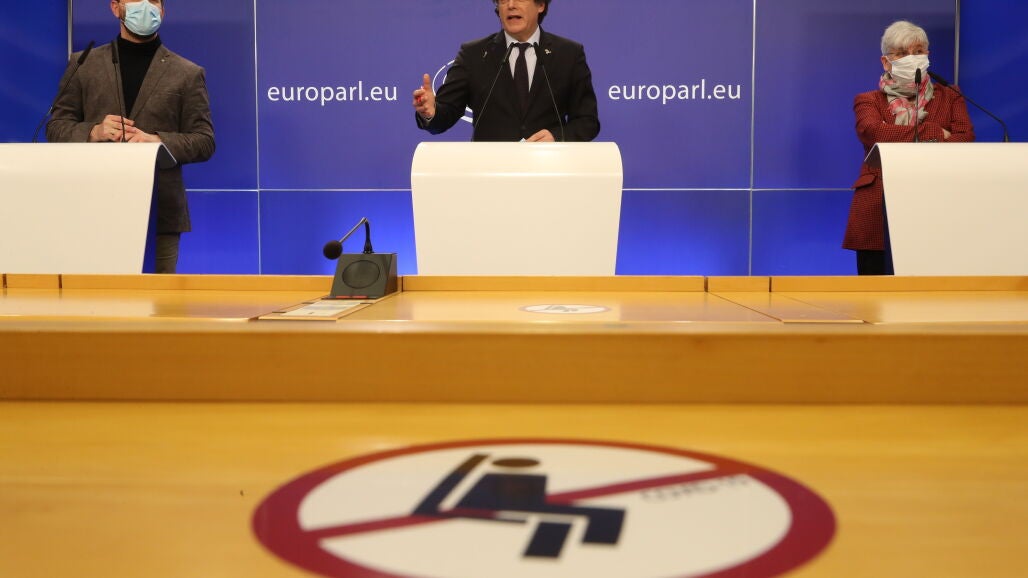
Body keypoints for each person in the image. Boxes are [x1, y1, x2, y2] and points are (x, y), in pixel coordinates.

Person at [47, 0, 215, 274]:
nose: (146, 6)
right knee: (96, 299)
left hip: (159, 214)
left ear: (162, 11)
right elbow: (56, 128)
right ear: (116, 7)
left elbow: (204, 140)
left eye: (154, 1)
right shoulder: (83, 64)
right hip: (92, 210)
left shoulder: (188, 73)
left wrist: (157, 141)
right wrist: (93, 131)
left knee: (159, 299)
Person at [843, 20, 973, 275]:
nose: (912, 58)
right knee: (875, 292)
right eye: (902, 53)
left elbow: (964, 138)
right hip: (878, 209)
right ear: (886, 62)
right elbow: (874, 133)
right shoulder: (869, 101)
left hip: (937, 204)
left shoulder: (951, 95)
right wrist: (936, 132)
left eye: (918, 51)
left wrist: (896, 133)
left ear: (928, 55)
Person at [413, 0, 599, 142]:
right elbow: (445, 115)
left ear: (541, 5)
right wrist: (430, 112)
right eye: (503, 0)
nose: (511, 5)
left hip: (548, 168)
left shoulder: (569, 54)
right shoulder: (473, 54)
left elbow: (587, 121)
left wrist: (556, 137)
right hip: (490, 171)